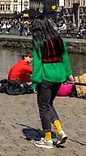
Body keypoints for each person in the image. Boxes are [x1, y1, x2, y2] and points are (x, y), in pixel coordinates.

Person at [31, 18, 73, 149]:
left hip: (46, 76)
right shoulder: (59, 39)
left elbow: (37, 64)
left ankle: (48, 139)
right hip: (59, 76)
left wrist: (34, 82)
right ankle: (59, 131)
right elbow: (65, 58)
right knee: (49, 104)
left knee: (43, 107)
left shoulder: (38, 42)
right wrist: (68, 75)